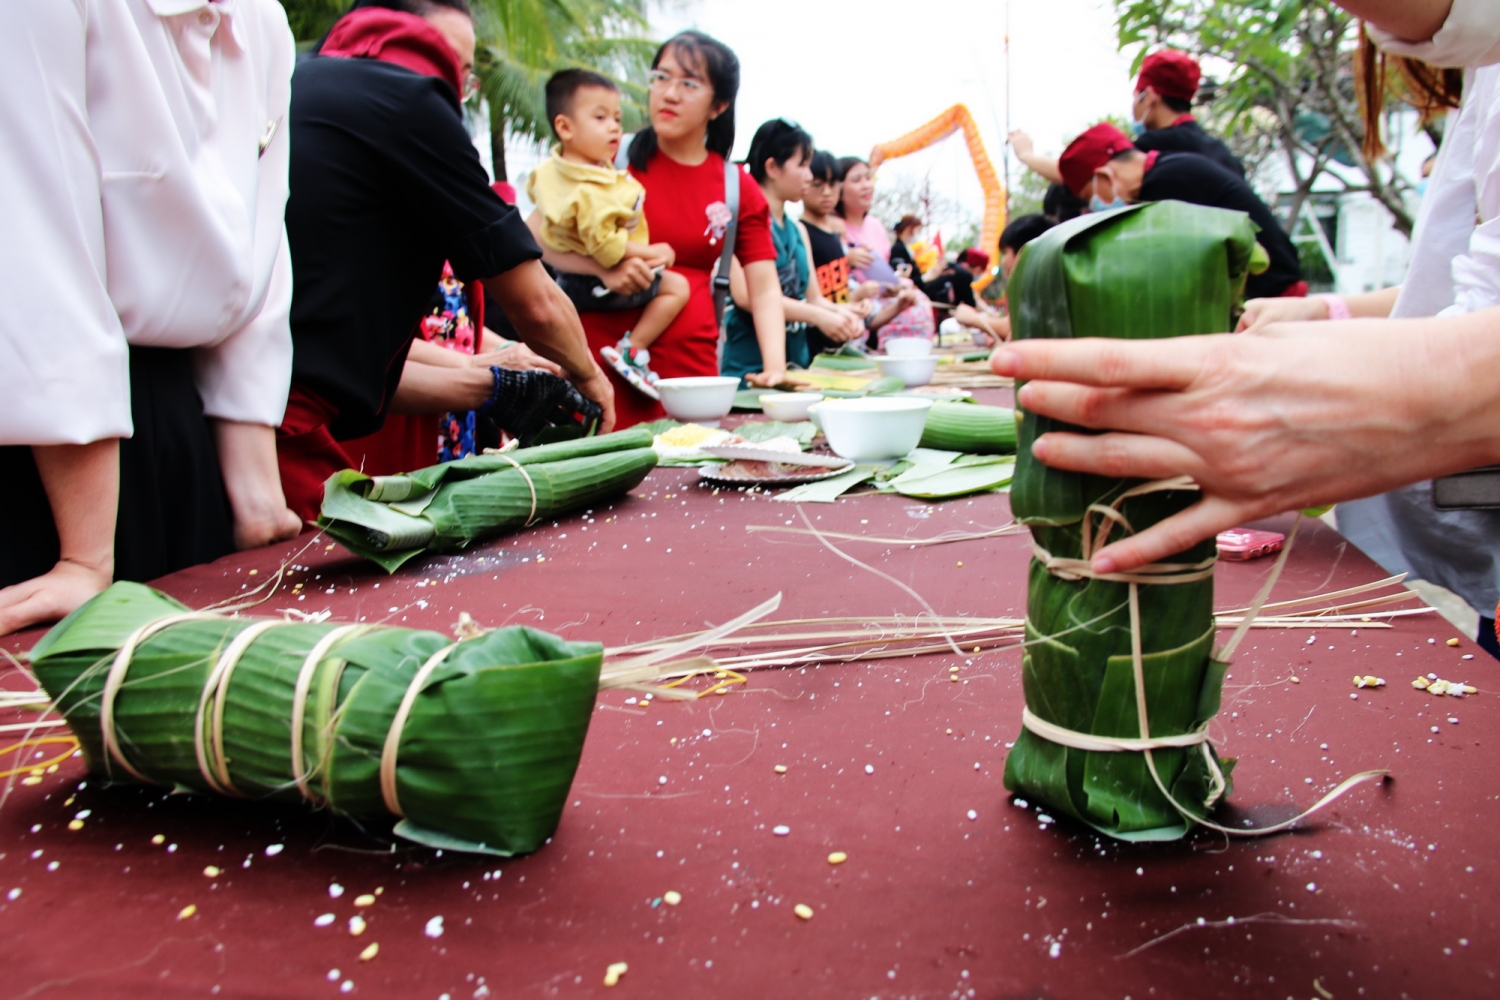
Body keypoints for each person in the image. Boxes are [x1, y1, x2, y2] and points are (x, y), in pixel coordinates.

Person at [988, 0, 1499, 579]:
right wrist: (1325, 313)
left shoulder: (1171, 173)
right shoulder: (1481, 73)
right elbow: (1456, 284)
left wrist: (1384, 395)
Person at [1, 0, 301, 636]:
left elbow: (261, 246)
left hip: (182, 416)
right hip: (42, 439)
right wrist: (84, 554)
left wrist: (255, 495)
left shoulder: (263, 21)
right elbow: (34, 248)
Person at [275, 0, 613, 522]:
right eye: (454, 71)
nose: (454, 95)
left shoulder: (291, 84)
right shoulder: (406, 97)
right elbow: (538, 305)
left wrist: (492, 382)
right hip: (289, 430)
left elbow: (354, 362)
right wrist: (589, 377)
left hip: (232, 423)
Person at [529, 31, 791, 428]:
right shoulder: (605, 159)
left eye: (688, 84)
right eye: (661, 78)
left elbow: (765, 286)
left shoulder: (737, 187)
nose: (669, 93)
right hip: (596, 371)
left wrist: (775, 368)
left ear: (718, 104)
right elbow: (534, 236)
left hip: (691, 383)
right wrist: (602, 268)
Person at [526, 69, 691, 399]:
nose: (614, 126)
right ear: (565, 127)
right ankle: (632, 350)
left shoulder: (556, 173)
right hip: (597, 285)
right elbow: (606, 248)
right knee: (677, 286)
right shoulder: (588, 188)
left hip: (570, 282)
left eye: (616, 117)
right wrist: (652, 252)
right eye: (600, 118)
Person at [1057, 123, 1304, 300]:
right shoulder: (1172, 167)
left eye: (1090, 196)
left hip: (1275, 299)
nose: (1094, 206)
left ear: (1103, 176)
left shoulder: (1167, 184)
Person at [722, 121, 865, 382]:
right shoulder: (737, 223)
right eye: (802, 165)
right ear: (772, 167)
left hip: (796, 365)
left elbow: (814, 298)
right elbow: (745, 297)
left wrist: (844, 314)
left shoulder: (797, 230)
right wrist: (820, 317)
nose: (809, 176)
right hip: (748, 369)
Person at [836, 156, 935, 349]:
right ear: (838, 188)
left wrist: (893, 284)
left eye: (868, 178)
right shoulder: (832, 227)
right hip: (851, 321)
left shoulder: (876, 226)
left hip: (880, 315)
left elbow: (885, 271)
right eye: (856, 180)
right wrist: (845, 259)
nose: (866, 186)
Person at [1129, 50, 1245, 177]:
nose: (1133, 107)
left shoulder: (1148, 150)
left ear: (1148, 97)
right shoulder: (1223, 154)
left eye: (1135, 97)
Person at [953, 214, 1056, 344]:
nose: (1003, 261)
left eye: (1005, 252)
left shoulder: (1047, 287)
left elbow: (1018, 328)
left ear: (1024, 252)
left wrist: (973, 318)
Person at [889, 214, 925, 280]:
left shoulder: (905, 247)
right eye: (917, 230)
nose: (917, 233)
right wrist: (925, 278)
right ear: (909, 229)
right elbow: (902, 273)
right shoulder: (898, 248)